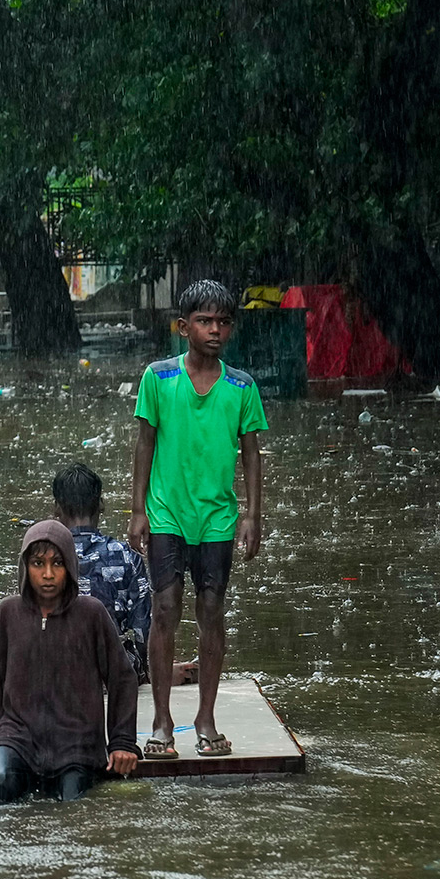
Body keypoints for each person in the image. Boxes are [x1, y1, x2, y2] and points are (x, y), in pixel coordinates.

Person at [129, 279, 267, 759]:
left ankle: (205, 716)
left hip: (217, 518)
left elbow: (251, 454)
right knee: (164, 610)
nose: (215, 330)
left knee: (212, 612)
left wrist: (252, 514)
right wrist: (137, 509)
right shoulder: (158, 378)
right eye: (205, 321)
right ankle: (162, 720)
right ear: (183, 326)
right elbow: (144, 443)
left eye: (223, 322)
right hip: (167, 512)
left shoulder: (241, 386)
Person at [0, 520, 142, 804]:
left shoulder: (91, 614)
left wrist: (122, 743)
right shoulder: (8, 614)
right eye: (38, 564)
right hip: (16, 738)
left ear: (70, 566)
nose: (48, 574)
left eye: (57, 563)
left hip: (77, 742)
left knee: (73, 802)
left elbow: (122, 679)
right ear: (26, 567)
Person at [51, 463, 152, 684]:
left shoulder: (45, 560)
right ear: (101, 505)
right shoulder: (127, 557)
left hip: (57, 674)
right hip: (113, 671)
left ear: (57, 508)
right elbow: (142, 628)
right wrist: (146, 671)